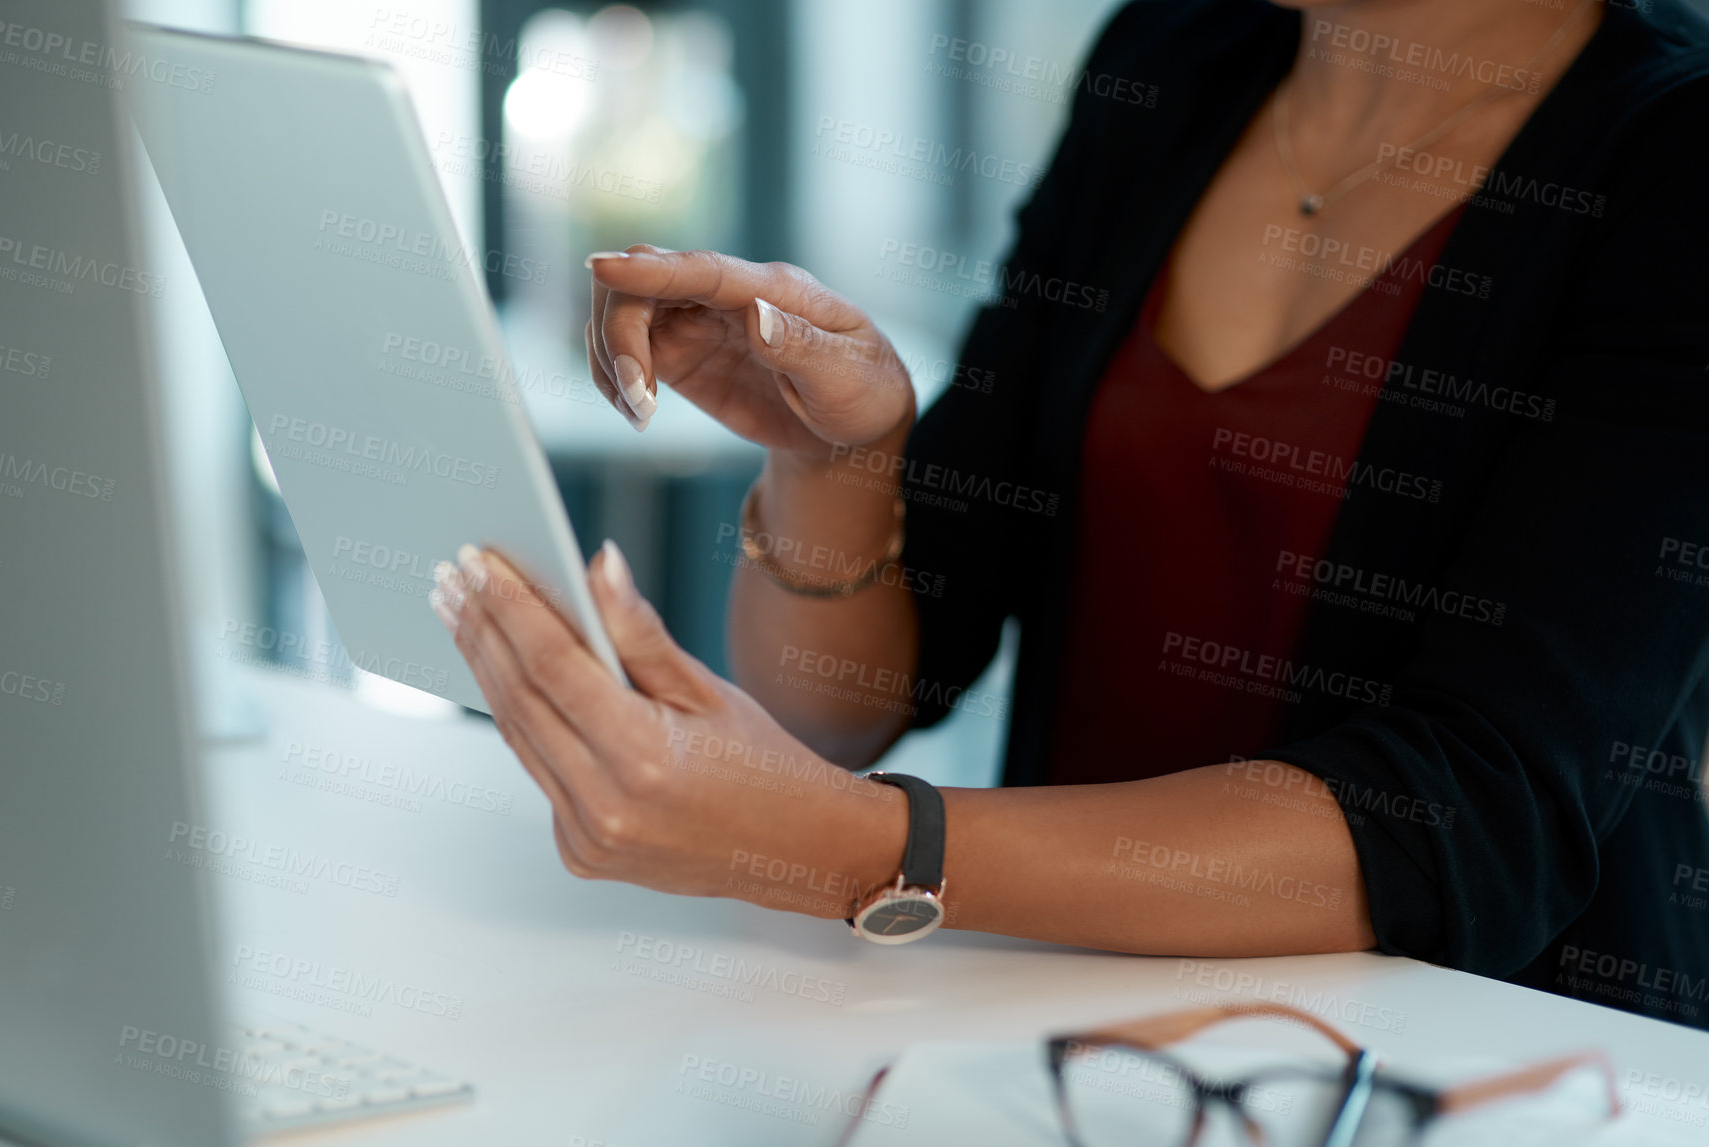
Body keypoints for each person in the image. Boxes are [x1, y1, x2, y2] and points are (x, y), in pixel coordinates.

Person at [428, 0, 1709, 1026]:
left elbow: (1472, 815)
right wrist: (833, 461)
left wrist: (858, 847)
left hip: (1489, 1066)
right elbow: (844, 703)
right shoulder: (1172, 54)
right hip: (1066, 1027)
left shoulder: (1669, 148)